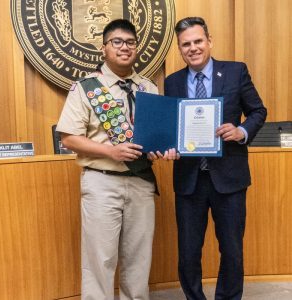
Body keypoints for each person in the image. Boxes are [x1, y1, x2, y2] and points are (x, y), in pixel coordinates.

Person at [56, 19, 176, 300]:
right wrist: (112, 151)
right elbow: (69, 138)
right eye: (117, 42)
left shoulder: (148, 88)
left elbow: (154, 138)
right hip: (101, 182)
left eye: (130, 42)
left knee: (139, 257)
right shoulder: (86, 87)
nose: (124, 47)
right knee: (101, 258)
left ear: (136, 48)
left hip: (140, 182)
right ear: (104, 49)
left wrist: (163, 149)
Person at [164, 17, 267, 300]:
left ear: (209, 41)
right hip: (189, 180)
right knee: (188, 252)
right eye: (186, 44)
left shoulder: (235, 72)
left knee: (232, 250)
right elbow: (171, 128)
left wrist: (242, 130)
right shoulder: (172, 82)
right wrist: (169, 146)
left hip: (229, 178)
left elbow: (258, 111)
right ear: (179, 49)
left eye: (198, 41)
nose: (193, 48)